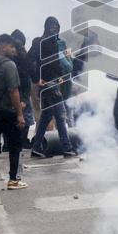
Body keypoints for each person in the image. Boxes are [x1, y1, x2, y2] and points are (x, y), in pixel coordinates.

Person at [0, 34, 28, 190]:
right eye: (12, 47)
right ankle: (14, 180)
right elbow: (13, 91)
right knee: (16, 146)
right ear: (3, 46)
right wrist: (20, 114)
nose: (14, 50)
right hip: (8, 112)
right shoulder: (9, 65)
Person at [31, 17, 74, 157]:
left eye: (56, 28)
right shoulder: (41, 43)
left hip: (51, 84)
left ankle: (36, 148)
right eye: (52, 27)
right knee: (60, 116)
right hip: (50, 85)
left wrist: (37, 79)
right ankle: (67, 148)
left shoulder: (49, 43)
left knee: (46, 117)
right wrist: (37, 79)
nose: (54, 30)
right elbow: (28, 61)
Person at [11, 29, 35, 149]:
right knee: (25, 117)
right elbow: (27, 80)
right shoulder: (22, 57)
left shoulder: (22, 58)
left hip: (15, 92)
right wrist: (25, 99)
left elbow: (26, 79)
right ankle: (21, 141)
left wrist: (24, 99)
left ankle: (15, 142)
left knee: (19, 117)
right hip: (18, 92)